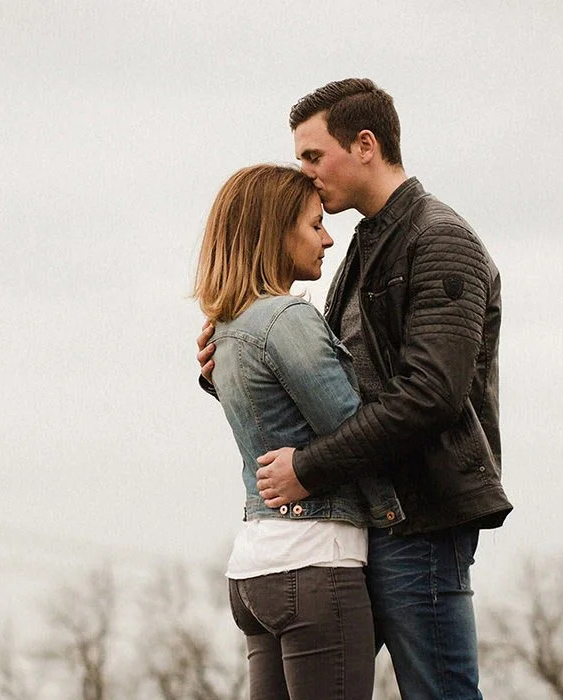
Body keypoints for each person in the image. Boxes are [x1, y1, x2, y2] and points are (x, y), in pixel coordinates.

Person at [197, 79, 512, 699]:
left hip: (419, 518)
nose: (306, 175)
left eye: (313, 157)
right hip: (367, 520)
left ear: (364, 144)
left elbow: (431, 395)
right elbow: (329, 387)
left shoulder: (439, 240)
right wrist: (231, 371)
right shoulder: (367, 247)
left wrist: (309, 468)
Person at [194, 163, 405, 700]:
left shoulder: (227, 325)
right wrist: (398, 518)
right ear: (275, 232)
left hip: (255, 570)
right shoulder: (287, 317)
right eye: (315, 226)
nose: (329, 238)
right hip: (314, 562)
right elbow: (356, 433)